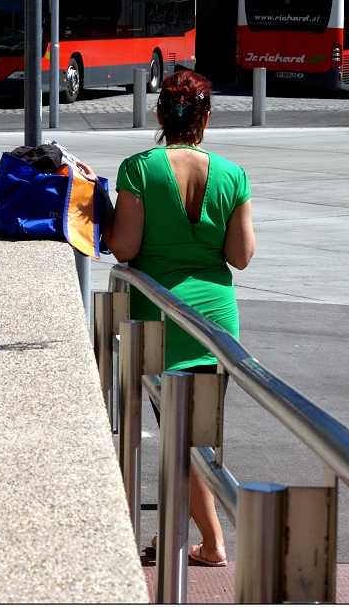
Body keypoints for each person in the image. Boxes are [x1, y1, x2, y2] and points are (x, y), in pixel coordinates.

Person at [78, 70, 255, 567]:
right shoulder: (232, 174)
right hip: (216, 322)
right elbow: (240, 255)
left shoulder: (140, 169)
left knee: (180, 436)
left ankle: (210, 542)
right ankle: (195, 537)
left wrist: (103, 204)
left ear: (159, 115)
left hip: (159, 319)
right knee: (197, 436)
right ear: (206, 117)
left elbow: (125, 247)